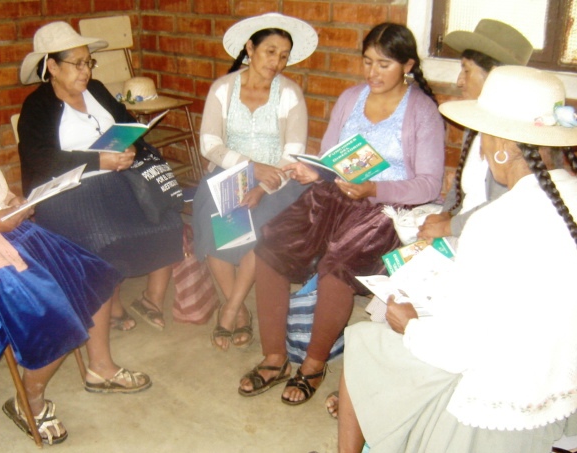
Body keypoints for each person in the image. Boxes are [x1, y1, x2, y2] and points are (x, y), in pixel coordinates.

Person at [338, 65, 577, 453]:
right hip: (563, 387)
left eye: (484, 135)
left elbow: (457, 349)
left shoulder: (494, 222)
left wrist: (410, 325)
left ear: (502, 144)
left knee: (364, 341)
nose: (480, 146)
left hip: (498, 402)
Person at [0, 44, 151, 445]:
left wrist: (12, 203)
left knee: (91, 275)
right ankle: (29, 401)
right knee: (53, 313)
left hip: (2, 233)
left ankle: (98, 368)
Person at [238, 23, 445, 405]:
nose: (372, 73)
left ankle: (313, 366)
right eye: (367, 62)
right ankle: (274, 357)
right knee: (272, 244)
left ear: (408, 66)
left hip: (384, 208)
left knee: (339, 267)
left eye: (384, 65)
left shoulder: (422, 112)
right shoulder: (351, 98)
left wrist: (373, 188)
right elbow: (329, 158)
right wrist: (311, 171)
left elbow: (430, 184)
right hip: (335, 195)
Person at [18, 21, 184, 332]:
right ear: (52, 66)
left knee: (169, 220)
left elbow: (126, 123)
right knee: (106, 237)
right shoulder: (37, 106)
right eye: (77, 63)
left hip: (117, 179)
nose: (86, 71)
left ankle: (151, 298)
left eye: (88, 63)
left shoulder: (95, 90)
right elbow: (40, 160)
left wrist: (132, 147)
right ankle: (113, 302)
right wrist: (98, 161)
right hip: (68, 192)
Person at [193, 13, 317, 351]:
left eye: (284, 55)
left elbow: (293, 154)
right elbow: (210, 144)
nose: (277, 62)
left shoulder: (290, 94)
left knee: (257, 227)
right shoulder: (223, 88)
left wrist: (262, 185)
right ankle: (240, 311)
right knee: (214, 219)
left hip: (279, 180)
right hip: (229, 172)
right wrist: (249, 167)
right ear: (250, 48)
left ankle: (230, 308)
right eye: (270, 52)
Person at [418, 19, 533, 243]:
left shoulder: (516, 138)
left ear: (494, 76)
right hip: (464, 232)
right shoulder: (475, 123)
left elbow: (501, 207)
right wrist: (445, 213)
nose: (459, 81)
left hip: (492, 240)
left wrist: (447, 227)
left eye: (466, 70)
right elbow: (461, 185)